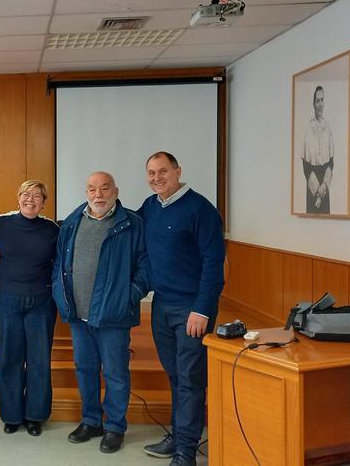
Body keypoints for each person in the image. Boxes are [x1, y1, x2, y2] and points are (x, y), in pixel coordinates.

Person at [52, 171, 149, 454]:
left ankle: (115, 426)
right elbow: (59, 263)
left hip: (113, 317)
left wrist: (126, 298)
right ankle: (91, 420)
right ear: (86, 193)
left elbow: (144, 268)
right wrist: (61, 294)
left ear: (116, 191)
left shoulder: (132, 224)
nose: (99, 195)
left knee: (116, 372)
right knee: (85, 369)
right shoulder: (72, 222)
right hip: (78, 315)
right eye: (92, 189)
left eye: (105, 189)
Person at [138, 151, 225, 466]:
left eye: (163, 171)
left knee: (190, 377)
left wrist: (202, 309)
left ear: (177, 171)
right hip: (161, 305)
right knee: (175, 374)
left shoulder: (200, 209)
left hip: (192, 309)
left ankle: (186, 451)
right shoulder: (150, 207)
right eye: (151, 173)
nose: (157, 178)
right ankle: (178, 435)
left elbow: (214, 264)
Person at [0, 180, 59, 436]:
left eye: (37, 196)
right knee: (9, 358)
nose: (31, 199)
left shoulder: (52, 228)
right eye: (26, 194)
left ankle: (35, 416)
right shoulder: (1, 223)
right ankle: (11, 415)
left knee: (39, 360)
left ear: (44, 202)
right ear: (18, 197)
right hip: (6, 300)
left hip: (41, 302)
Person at [301, 85, 334, 214]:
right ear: (314, 104)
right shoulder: (308, 129)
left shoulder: (328, 127)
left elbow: (331, 161)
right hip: (312, 188)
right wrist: (317, 191)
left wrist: (324, 186)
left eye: (322, 100)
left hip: (325, 188)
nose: (320, 104)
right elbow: (305, 165)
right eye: (317, 101)